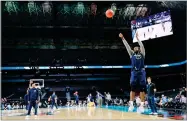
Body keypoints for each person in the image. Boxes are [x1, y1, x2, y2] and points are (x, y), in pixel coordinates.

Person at [119, 32, 146, 112]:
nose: (136, 48)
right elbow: (127, 46)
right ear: (133, 49)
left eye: (137, 47)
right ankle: (131, 104)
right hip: (134, 72)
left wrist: (138, 39)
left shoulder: (142, 54)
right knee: (132, 89)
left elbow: (142, 46)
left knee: (142, 89)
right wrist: (123, 38)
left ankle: (142, 105)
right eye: (134, 48)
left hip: (141, 72)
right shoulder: (131, 54)